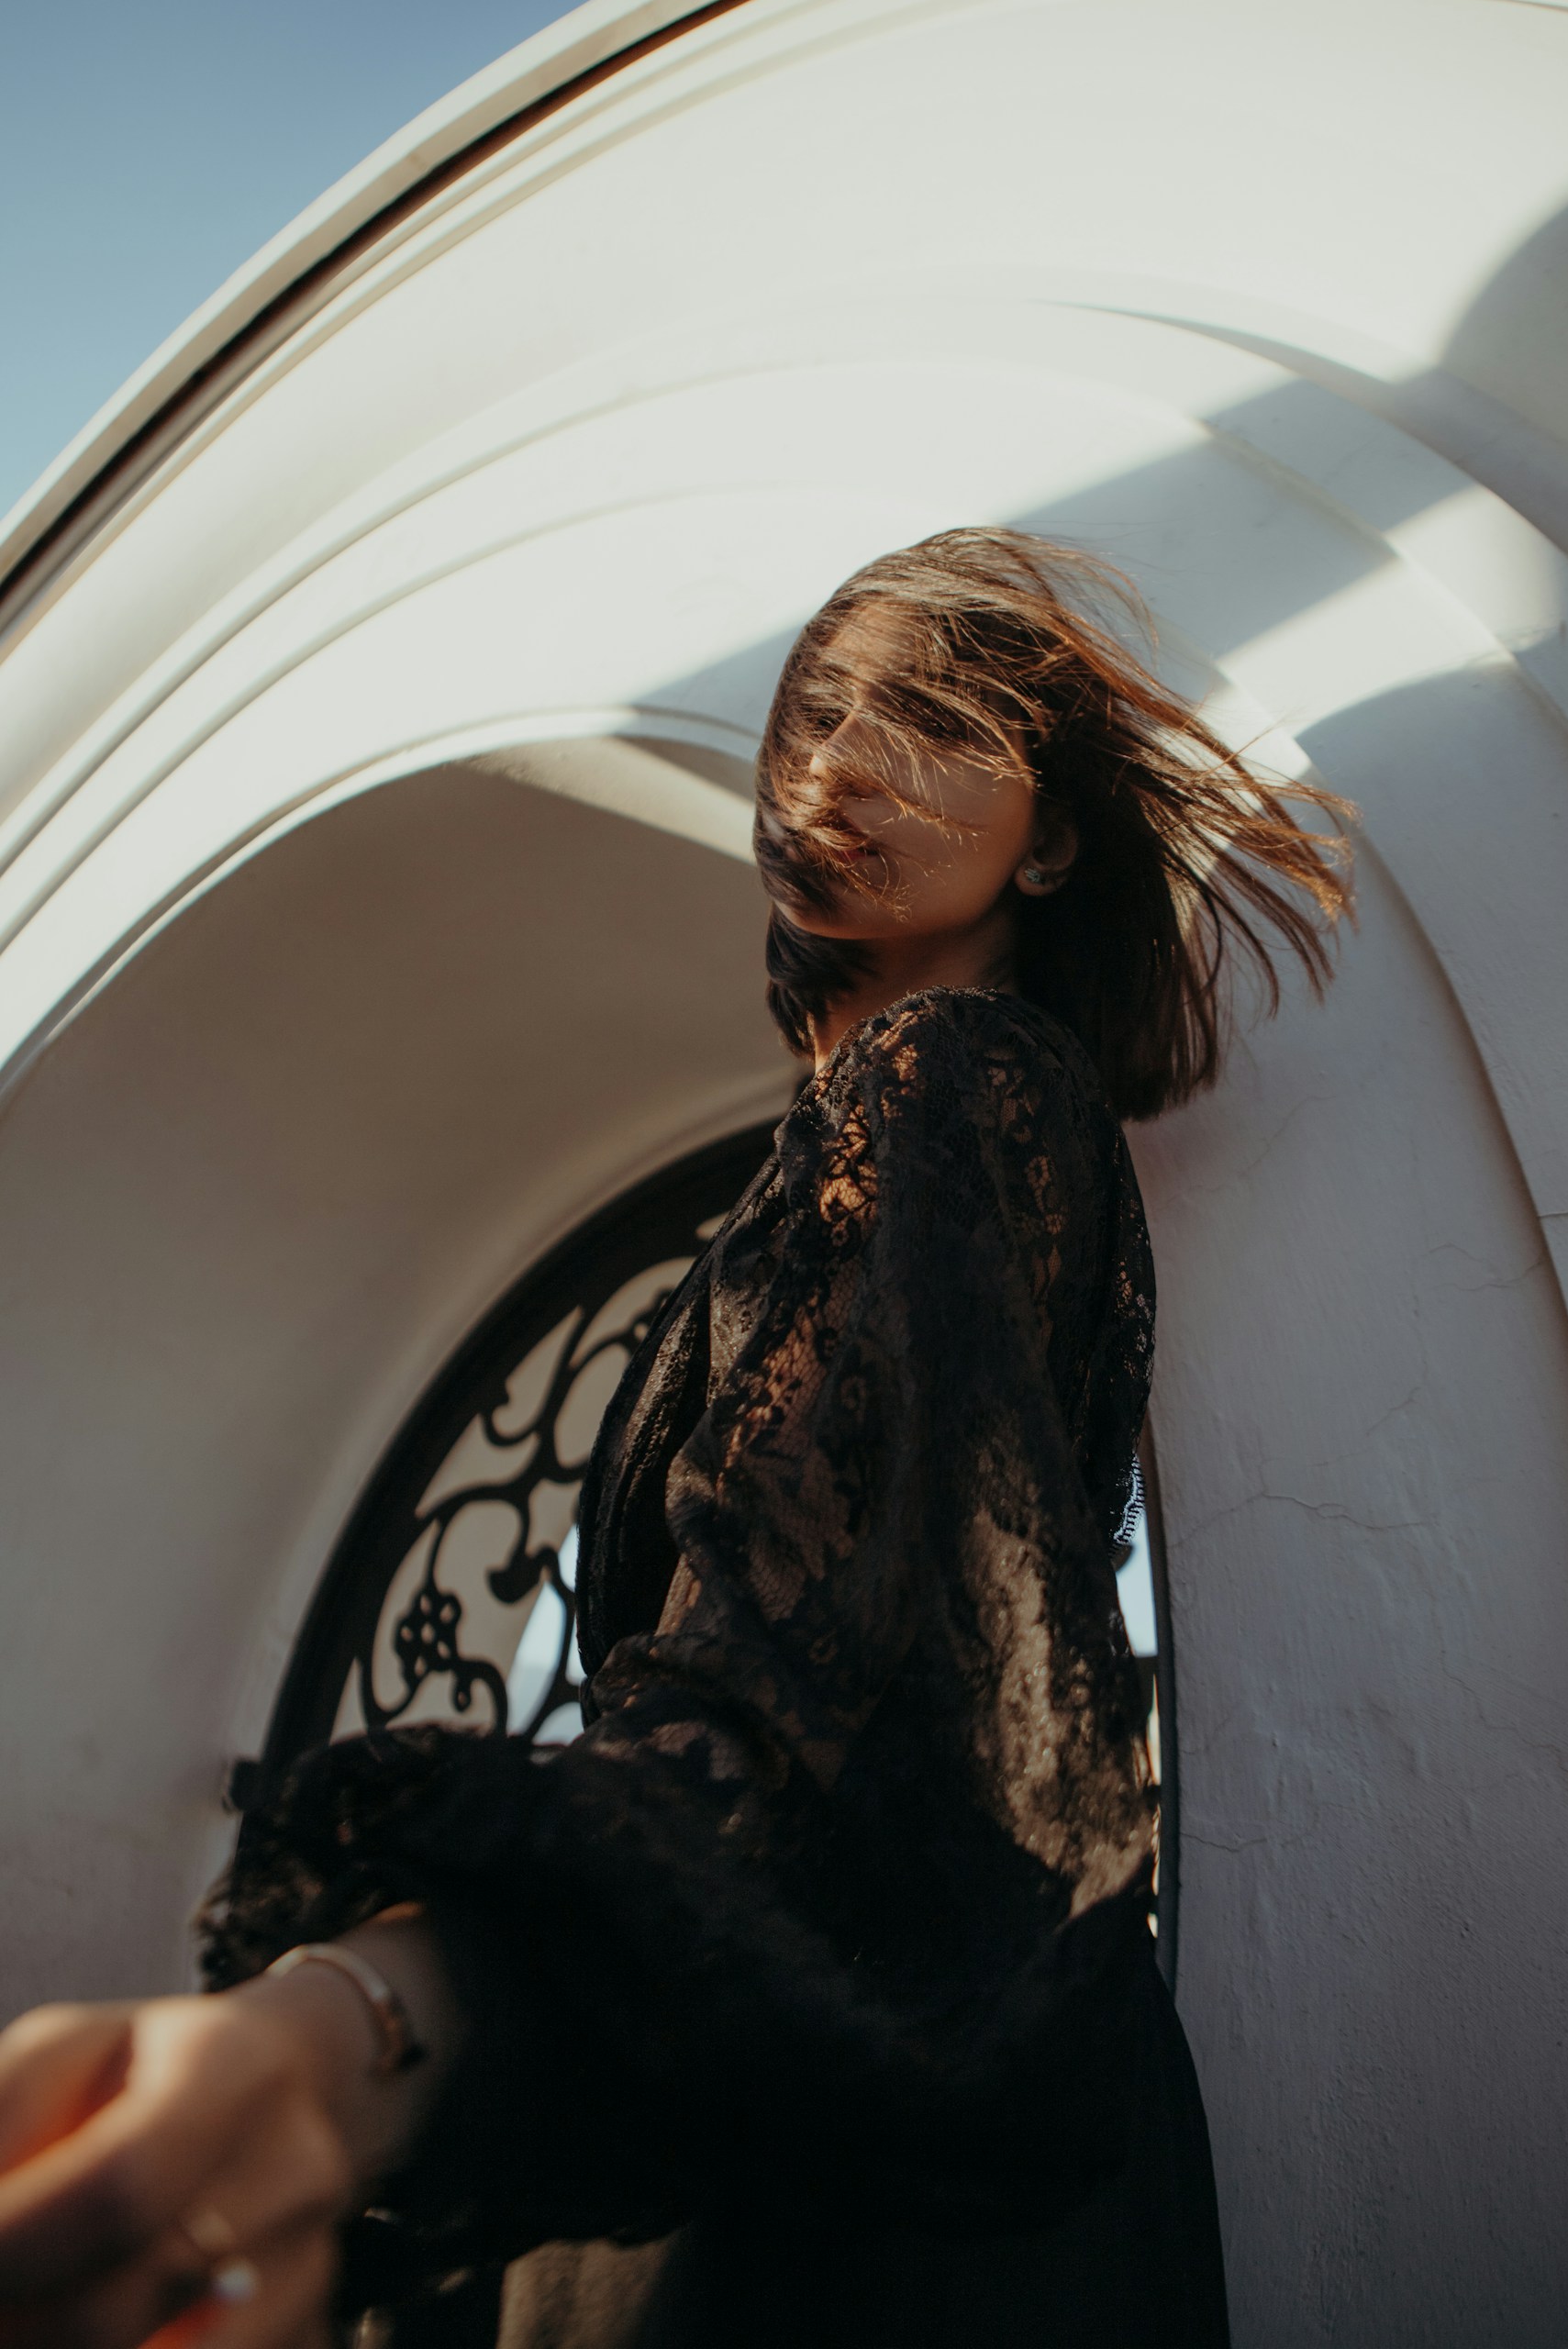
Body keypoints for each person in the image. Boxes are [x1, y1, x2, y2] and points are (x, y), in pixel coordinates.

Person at [0, 529, 1349, 2349]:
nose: (834, 764)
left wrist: (356, 2027)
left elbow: (807, 1680)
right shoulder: (895, 1131)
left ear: (1046, 846)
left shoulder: (950, 1074)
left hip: (841, 2158)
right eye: (812, 715)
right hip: (879, 2082)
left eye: (930, 717)